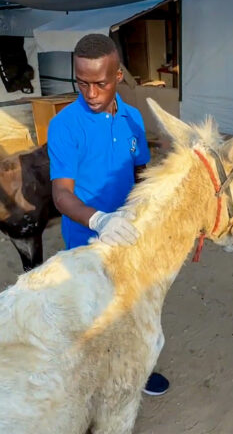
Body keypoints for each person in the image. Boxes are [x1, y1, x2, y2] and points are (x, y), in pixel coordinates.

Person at [47, 33, 170, 396]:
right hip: (87, 241)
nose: (90, 93)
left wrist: (149, 214)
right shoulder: (65, 125)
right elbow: (61, 194)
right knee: (93, 318)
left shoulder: (132, 119)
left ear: (118, 76)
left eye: (100, 83)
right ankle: (90, 388)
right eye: (81, 83)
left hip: (130, 236)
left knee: (132, 308)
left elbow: (139, 178)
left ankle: (137, 370)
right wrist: (100, 220)